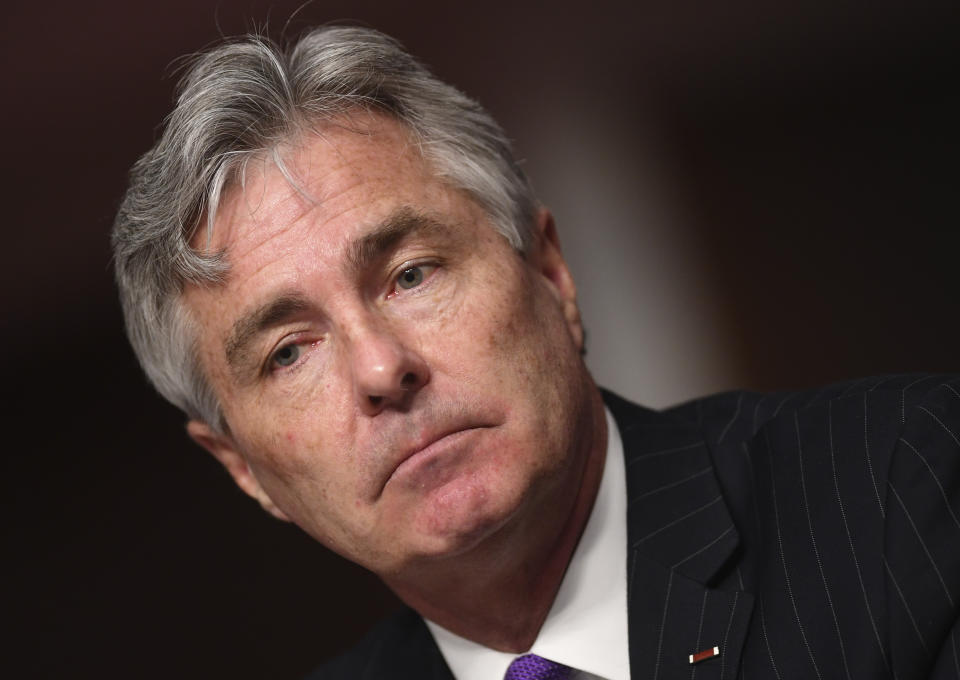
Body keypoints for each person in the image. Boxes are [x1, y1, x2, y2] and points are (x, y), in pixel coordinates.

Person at [112, 26, 959, 680]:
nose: (381, 370)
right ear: (244, 471)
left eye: (411, 274)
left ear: (551, 273)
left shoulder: (902, 482)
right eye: (290, 352)